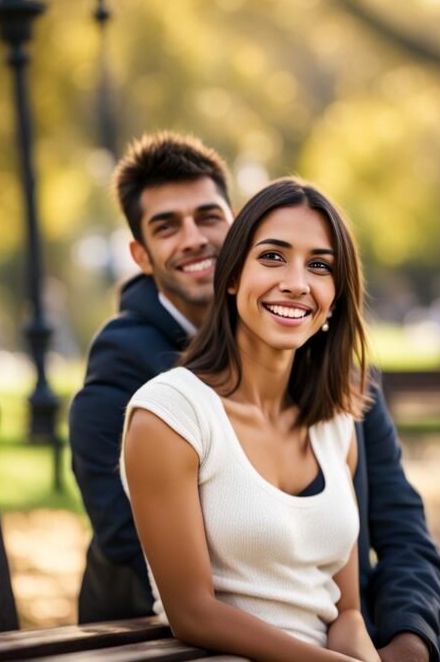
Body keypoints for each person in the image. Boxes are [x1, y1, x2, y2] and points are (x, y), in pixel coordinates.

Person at [69, 132, 440, 662]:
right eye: (167, 226)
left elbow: (394, 532)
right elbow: (158, 569)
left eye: (318, 265)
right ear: (235, 274)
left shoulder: (336, 407)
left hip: (330, 631)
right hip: (186, 643)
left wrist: (405, 639)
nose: (194, 240)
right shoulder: (150, 392)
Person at [122, 178, 377, 660]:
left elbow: (345, 613)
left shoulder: (336, 423)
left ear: (336, 296)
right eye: (273, 257)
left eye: (319, 265)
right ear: (233, 274)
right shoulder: (170, 416)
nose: (297, 283)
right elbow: (192, 612)